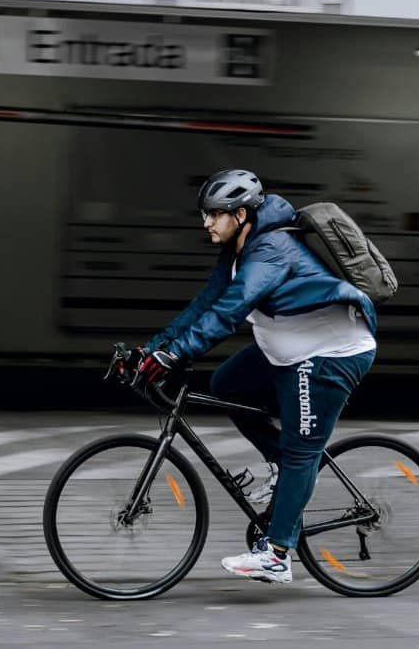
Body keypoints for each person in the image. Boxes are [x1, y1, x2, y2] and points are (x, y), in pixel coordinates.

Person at [134, 169, 377, 584]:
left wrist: (174, 355)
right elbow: (204, 306)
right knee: (227, 384)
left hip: (328, 354)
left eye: (214, 214)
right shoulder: (237, 251)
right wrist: (155, 348)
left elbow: (230, 311)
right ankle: (282, 465)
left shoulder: (270, 251)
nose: (206, 223)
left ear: (242, 214)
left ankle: (278, 553)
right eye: (205, 215)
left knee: (302, 449)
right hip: (287, 349)